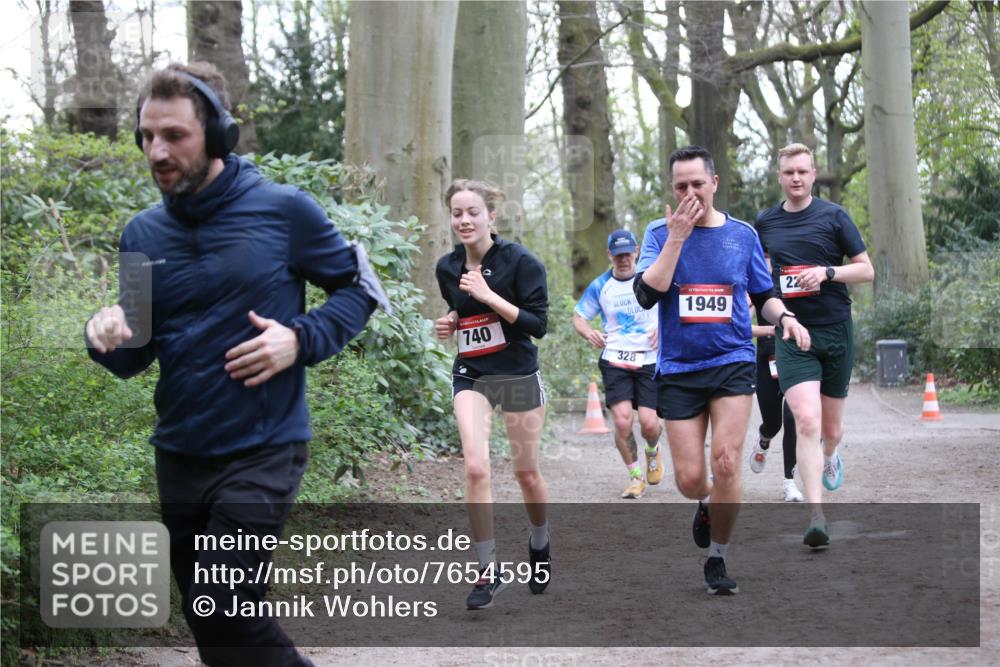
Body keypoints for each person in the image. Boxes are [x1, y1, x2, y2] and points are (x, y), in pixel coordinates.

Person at [84, 62, 383, 667]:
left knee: (224, 601)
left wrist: (299, 339)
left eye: (175, 135)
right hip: (180, 453)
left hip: (263, 447)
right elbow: (135, 354)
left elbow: (361, 291)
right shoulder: (141, 235)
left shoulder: (284, 211)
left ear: (218, 135)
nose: (157, 151)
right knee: (215, 628)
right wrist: (104, 336)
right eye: (146, 136)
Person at [634, 146, 811, 595]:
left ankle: (719, 557)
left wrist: (784, 318)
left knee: (727, 461)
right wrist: (677, 237)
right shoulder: (658, 233)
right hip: (678, 368)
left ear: (714, 183)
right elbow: (646, 294)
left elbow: (763, 293)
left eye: (697, 183)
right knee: (690, 479)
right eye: (681, 186)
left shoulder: (743, 235)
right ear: (672, 190)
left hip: (731, 360)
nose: (690, 192)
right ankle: (706, 501)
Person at [434, 179, 550, 610]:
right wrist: (449, 322)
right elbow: (460, 312)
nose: (464, 220)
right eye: (457, 213)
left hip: (517, 372)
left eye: (473, 212)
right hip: (473, 374)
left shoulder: (521, 262)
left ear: (491, 217)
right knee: (477, 467)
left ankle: (539, 540)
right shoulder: (447, 267)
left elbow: (538, 325)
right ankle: (488, 571)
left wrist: (488, 294)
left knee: (527, 474)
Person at [754, 142, 874, 548]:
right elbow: (760, 278)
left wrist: (827, 272)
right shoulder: (765, 223)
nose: (797, 178)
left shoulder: (834, 216)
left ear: (813, 173)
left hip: (836, 329)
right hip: (792, 332)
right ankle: (816, 516)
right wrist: (778, 315)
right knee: (805, 419)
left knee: (831, 429)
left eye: (803, 171)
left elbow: (866, 270)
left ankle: (831, 453)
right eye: (789, 172)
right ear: (780, 176)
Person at [572, 229, 663, 499]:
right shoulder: (601, 285)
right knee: (622, 423)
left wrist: (665, 329)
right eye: (618, 255)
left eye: (628, 253)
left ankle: (652, 450)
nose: (623, 260)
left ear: (636, 251)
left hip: (649, 358)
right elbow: (578, 316)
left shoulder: (652, 278)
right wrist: (589, 332)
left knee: (648, 424)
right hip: (615, 359)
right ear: (609, 255)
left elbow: (674, 305)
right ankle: (635, 477)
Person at [749, 301, 803, 502]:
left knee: (792, 418)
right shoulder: (758, 282)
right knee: (773, 424)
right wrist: (770, 329)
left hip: (800, 357)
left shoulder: (800, 274)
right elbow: (740, 323)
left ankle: (789, 481)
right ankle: (764, 439)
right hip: (768, 358)